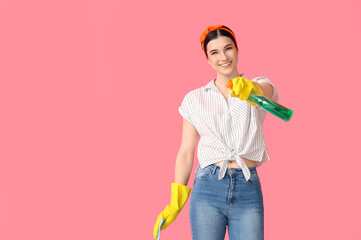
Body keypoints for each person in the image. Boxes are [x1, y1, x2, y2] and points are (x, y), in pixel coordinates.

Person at [153, 25, 279, 240]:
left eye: (228, 48)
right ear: (207, 59)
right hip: (208, 188)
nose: (223, 57)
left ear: (237, 50)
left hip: (248, 189)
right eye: (214, 52)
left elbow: (268, 93)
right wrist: (177, 199)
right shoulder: (194, 99)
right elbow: (185, 152)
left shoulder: (258, 86)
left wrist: (252, 90)